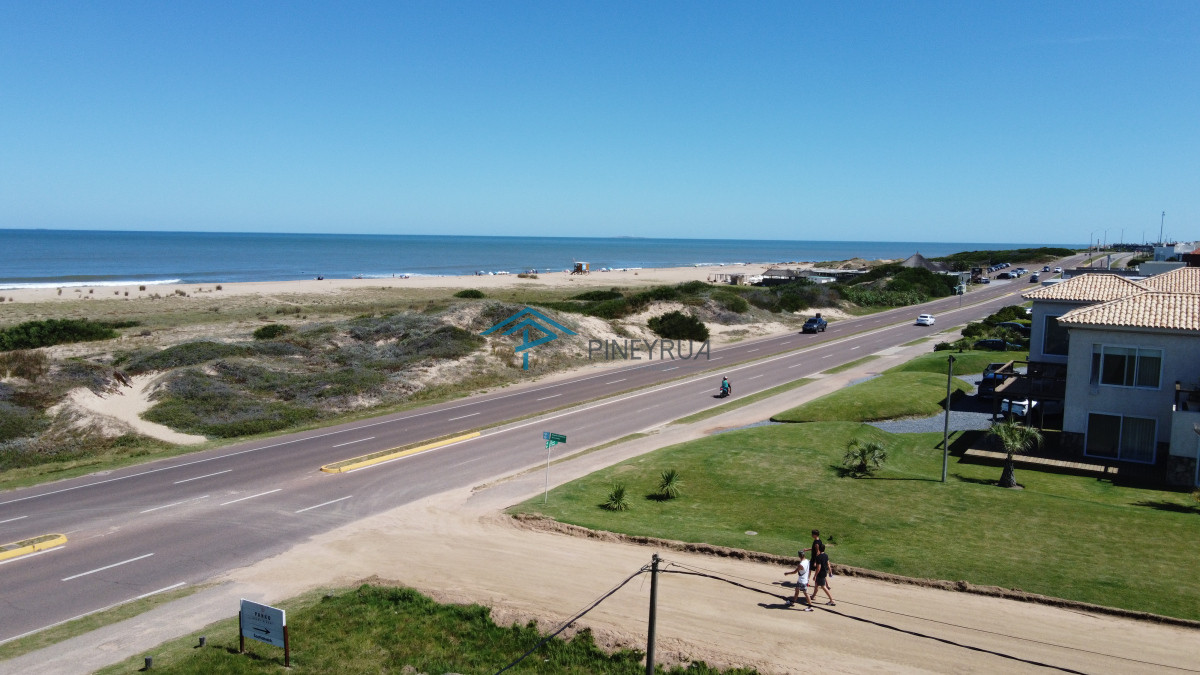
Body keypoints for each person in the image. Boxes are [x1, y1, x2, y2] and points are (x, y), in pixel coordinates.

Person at [810, 542, 835, 606]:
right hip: (824, 572)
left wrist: (815, 575)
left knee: (823, 587)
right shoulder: (826, 555)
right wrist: (830, 571)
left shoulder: (818, 557)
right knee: (816, 585)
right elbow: (828, 564)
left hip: (820, 573)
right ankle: (813, 596)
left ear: (819, 549)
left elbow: (818, 567)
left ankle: (832, 600)